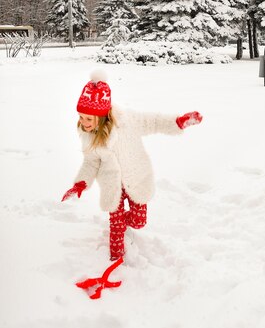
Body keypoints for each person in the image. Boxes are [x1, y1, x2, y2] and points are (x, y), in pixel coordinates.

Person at [62, 71, 203, 260]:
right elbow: (90, 162)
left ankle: (124, 223)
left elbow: (152, 121)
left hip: (136, 178)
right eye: (81, 117)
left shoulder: (127, 120)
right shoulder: (89, 137)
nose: (83, 123)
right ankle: (116, 258)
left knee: (138, 221)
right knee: (116, 226)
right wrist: (81, 183)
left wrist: (177, 122)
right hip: (113, 186)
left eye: (88, 119)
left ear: (103, 116)